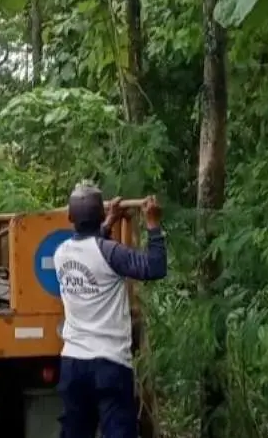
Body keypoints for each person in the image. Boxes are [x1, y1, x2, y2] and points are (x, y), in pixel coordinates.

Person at [52, 183, 167, 438]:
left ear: (70, 218)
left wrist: (108, 223)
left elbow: (92, 251)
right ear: (101, 216)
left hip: (72, 363)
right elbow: (155, 267)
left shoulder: (61, 254)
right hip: (110, 364)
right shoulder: (111, 254)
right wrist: (153, 225)